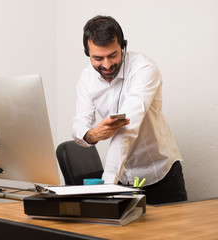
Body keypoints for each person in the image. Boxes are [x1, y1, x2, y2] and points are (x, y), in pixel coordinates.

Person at [72, 15, 187, 204]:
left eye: (113, 55)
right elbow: (79, 123)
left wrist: (107, 185)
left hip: (161, 177)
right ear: (88, 54)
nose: (107, 65)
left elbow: (126, 131)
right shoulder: (87, 78)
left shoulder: (144, 69)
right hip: (122, 179)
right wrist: (91, 135)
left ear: (122, 47)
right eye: (98, 58)